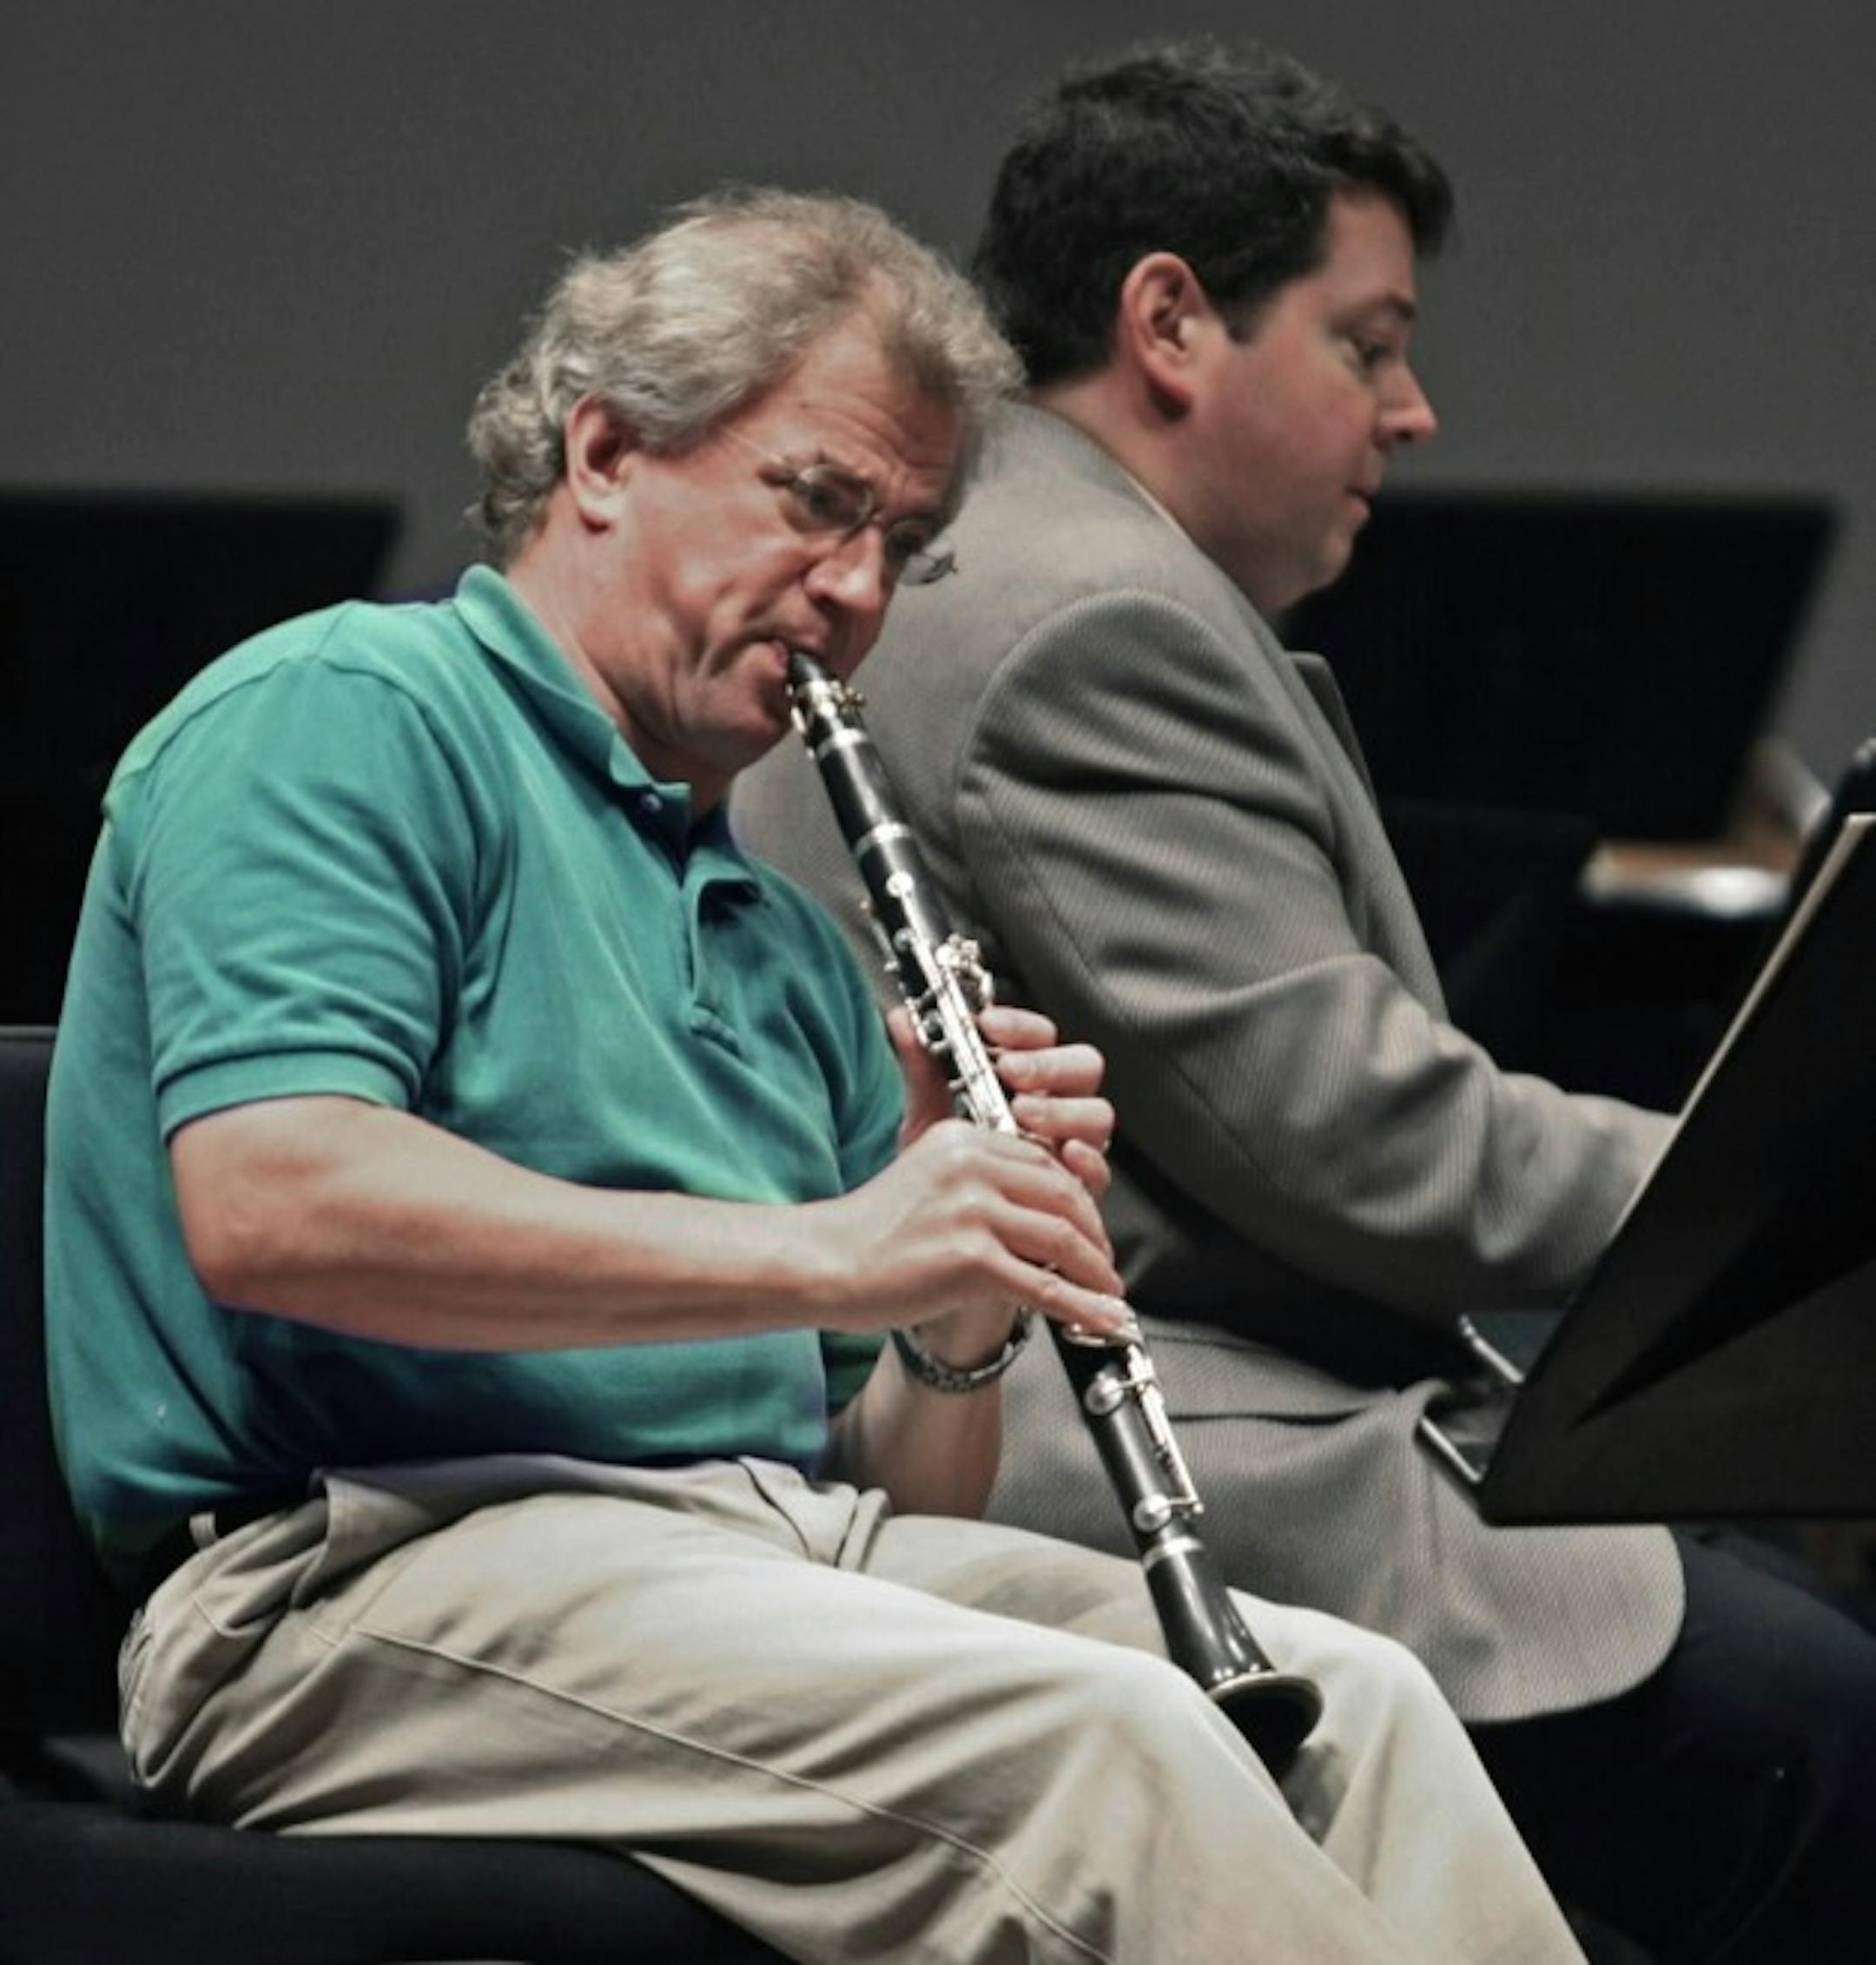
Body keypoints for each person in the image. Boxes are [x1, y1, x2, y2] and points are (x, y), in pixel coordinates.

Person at [41, 187, 1586, 1964]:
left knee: (1362, 1707)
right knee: (1121, 1746)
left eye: (901, 545)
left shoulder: (775, 931)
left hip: (751, 1555)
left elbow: (897, 1483)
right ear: (605, 451)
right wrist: (844, 1246)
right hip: (339, 1588)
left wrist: (958, 1295)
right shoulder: (346, 717)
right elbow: (278, 1205)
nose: (854, 592)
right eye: (818, 503)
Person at [730, 47, 1876, 1965]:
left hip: (1146, 1388)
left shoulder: (1027, 557)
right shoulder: (1079, 611)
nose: (1412, 410)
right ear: (1170, 319)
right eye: (1367, 343)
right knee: (1826, 1742)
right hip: (1100, 1445)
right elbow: (1369, 1148)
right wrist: (1798, 1181)